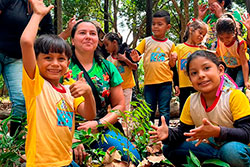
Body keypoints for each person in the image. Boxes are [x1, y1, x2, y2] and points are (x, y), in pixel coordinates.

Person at [20, 0, 96, 166]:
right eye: (48, 58)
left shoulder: (69, 90)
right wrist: (37, 15)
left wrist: (88, 93)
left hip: (65, 159)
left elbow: (89, 115)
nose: (55, 64)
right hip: (42, 163)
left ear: (68, 64)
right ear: (37, 60)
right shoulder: (36, 84)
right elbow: (26, 42)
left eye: (61, 59)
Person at [149, 50, 250, 167]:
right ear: (190, 80)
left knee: (231, 151)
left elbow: (247, 133)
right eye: (194, 73)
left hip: (239, 148)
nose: (201, 75)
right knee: (169, 148)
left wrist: (218, 132)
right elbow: (184, 132)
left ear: (220, 70)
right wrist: (168, 134)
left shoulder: (234, 96)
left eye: (206, 68)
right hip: (213, 149)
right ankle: (215, 163)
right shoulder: (192, 100)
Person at [63, 20, 141, 164]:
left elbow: (119, 106)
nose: (88, 36)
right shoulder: (61, 66)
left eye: (92, 33)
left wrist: (99, 123)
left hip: (100, 128)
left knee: (132, 157)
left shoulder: (108, 67)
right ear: (72, 40)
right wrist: (70, 136)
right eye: (82, 33)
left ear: (97, 40)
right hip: (66, 130)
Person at [0, 0, 54, 136]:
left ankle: (14, 139)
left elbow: (48, 39)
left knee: (21, 98)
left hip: (17, 58)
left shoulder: (45, 11)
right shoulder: (11, 1)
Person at [135, 10, 176, 125]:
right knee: (149, 110)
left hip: (166, 82)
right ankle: (148, 133)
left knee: (164, 110)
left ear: (168, 27)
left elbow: (172, 65)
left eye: (159, 24)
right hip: (149, 82)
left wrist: (173, 60)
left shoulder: (170, 44)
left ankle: (164, 134)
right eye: (153, 24)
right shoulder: (146, 41)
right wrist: (134, 56)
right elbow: (136, 54)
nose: (155, 27)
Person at [173, 19, 207, 115]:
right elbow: (173, 68)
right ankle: (183, 128)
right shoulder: (179, 48)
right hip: (184, 85)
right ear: (191, 30)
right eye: (200, 33)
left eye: (203, 35)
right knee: (184, 109)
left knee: (200, 107)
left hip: (199, 83)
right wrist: (176, 84)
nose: (201, 37)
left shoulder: (201, 50)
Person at [103, 32, 137, 111]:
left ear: (114, 42)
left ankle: (125, 123)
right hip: (115, 88)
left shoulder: (126, 53)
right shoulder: (108, 59)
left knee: (126, 109)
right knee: (116, 109)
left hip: (127, 86)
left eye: (107, 45)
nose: (105, 48)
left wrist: (125, 59)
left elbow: (134, 67)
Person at [216, 14, 250, 89]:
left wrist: (246, 81)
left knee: (237, 87)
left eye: (227, 37)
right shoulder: (219, 42)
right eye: (221, 38)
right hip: (229, 67)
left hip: (241, 68)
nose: (225, 41)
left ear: (234, 32)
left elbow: (244, 63)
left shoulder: (239, 43)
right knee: (226, 87)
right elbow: (217, 55)